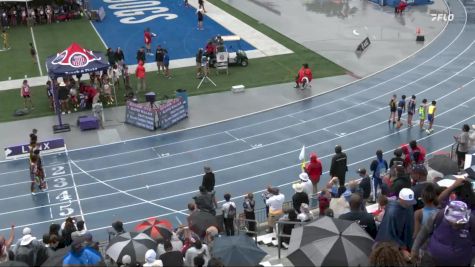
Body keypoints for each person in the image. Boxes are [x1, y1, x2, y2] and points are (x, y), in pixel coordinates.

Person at [411, 200, 474, 266]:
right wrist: (414, 249)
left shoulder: (472, 223)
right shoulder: (438, 216)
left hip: (460, 262)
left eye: (459, 222)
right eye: (452, 220)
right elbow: (423, 233)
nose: (455, 223)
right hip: (432, 259)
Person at [375, 188, 416, 261]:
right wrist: (402, 249)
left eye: (411, 202)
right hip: (398, 247)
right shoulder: (392, 212)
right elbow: (388, 234)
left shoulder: (408, 205)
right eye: (407, 202)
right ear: (400, 199)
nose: (410, 204)